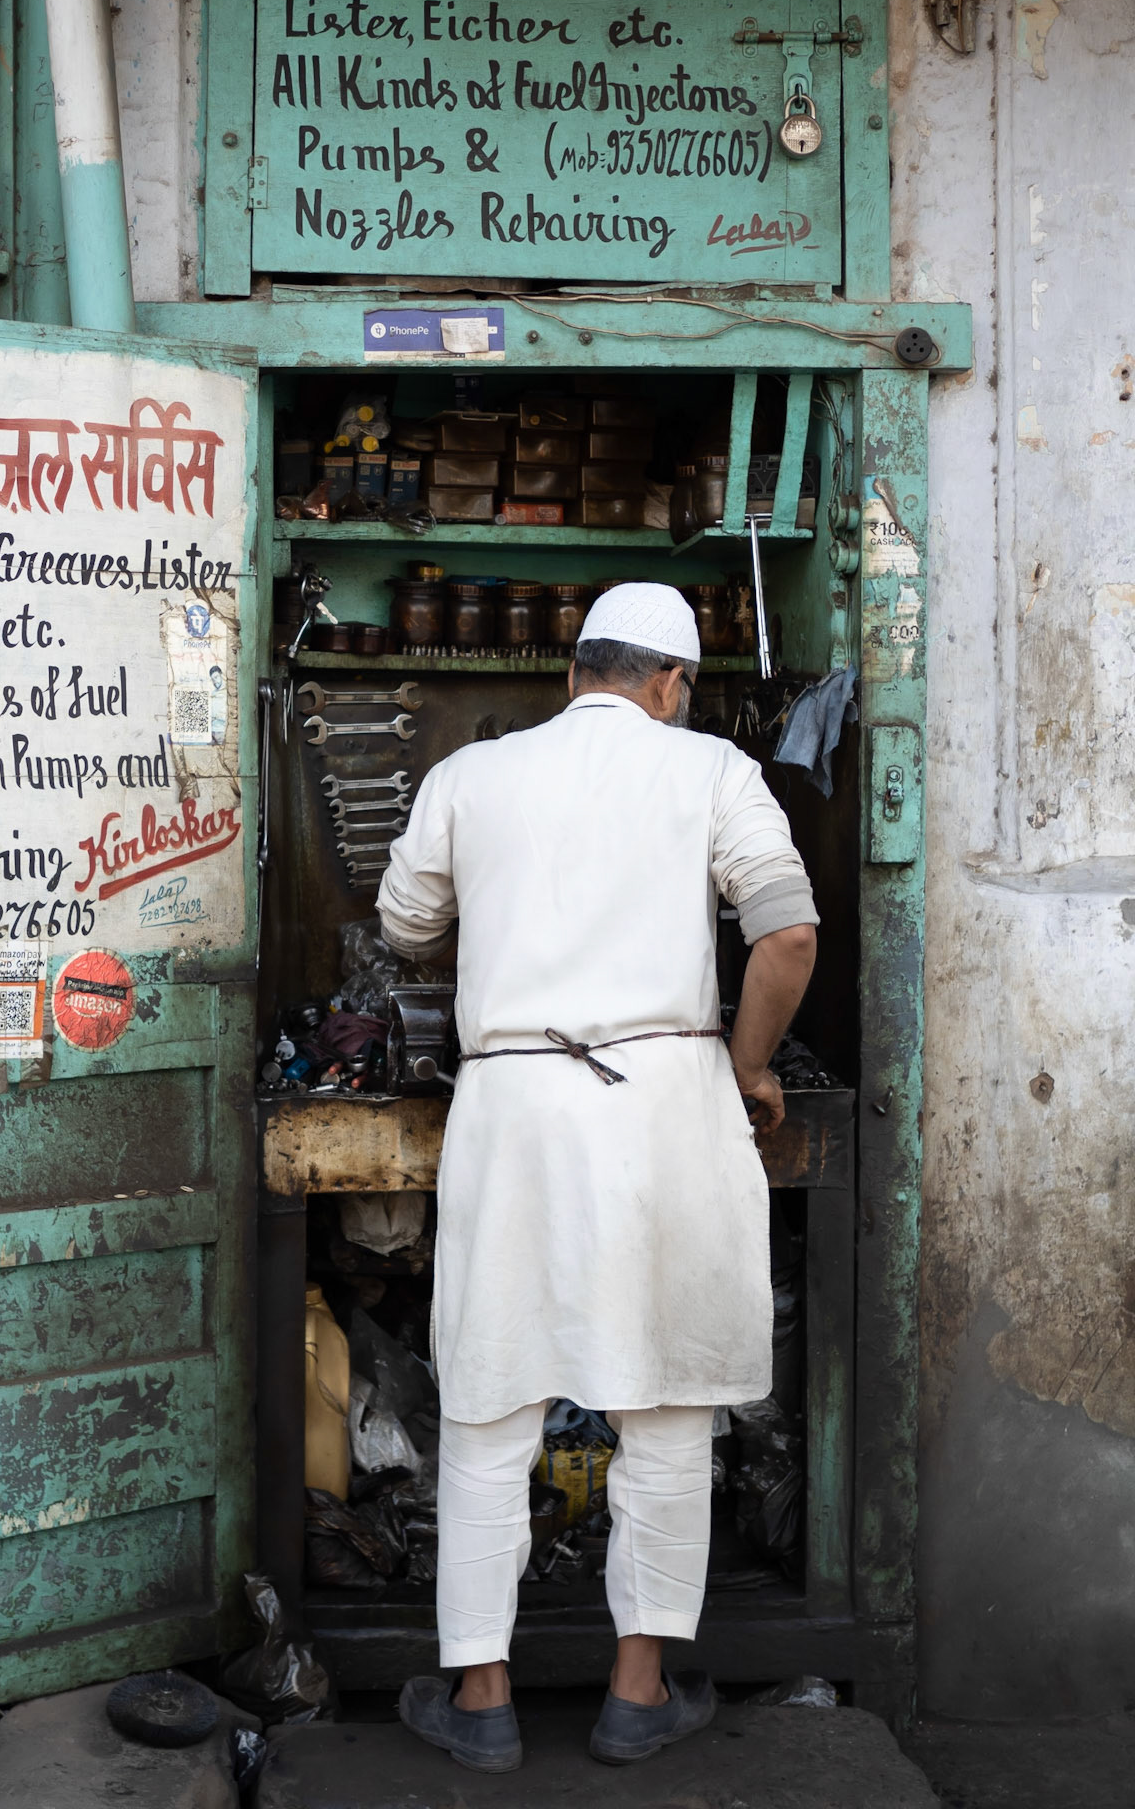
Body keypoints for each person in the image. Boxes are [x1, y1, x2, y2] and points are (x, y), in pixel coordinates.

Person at [376, 580, 818, 1772]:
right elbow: (786, 933)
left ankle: (480, 1698)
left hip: (515, 1110)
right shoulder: (711, 770)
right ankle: (636, 1691)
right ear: (672, 682)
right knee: (666, 1412)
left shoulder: (474, 773)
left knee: (487, 1410)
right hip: (667, 1104)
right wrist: (750, 1064)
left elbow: (408, 922)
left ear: (575, 669)